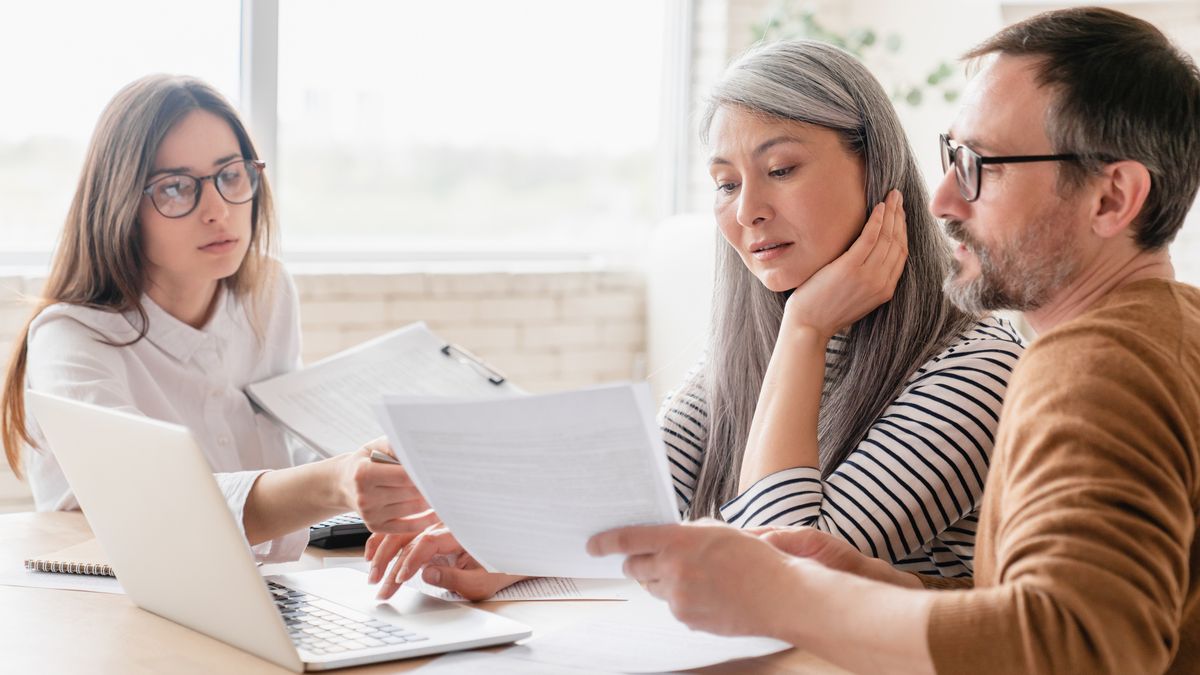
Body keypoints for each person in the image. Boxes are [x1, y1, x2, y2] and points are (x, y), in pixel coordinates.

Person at [589, 7, 1200, 674]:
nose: (940, 199)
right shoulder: (1164, 334)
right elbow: (1068, 611)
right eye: (950, 157)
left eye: (980, 166)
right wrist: (893, 587)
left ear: (1112, 199)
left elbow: (1080, 647)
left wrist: (787, 591)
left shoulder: (1095, 364)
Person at [366, 39, 1025, 601]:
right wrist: (504, 545)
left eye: (781, 168)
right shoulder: (751, 345)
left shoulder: (979, 366)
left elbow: (784, 573)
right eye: (726, 183)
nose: (747, 211)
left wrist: (805, 329)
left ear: (875, 167)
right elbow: (638, 489)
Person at [0, 75, 433, 561]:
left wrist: (386, 467)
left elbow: (288, 441)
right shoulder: (72, 338)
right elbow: (158, 508)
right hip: (126, 606)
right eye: (176, 188)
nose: (217, 211)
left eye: (230, 175)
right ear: (121, 204)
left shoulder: (266, 293)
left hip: (274, 589)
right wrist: (335, 481)